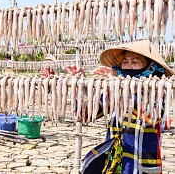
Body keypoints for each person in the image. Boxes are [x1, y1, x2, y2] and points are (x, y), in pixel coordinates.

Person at [64, 40, 173, 174]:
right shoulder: (115, 89)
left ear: (149, 67)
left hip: (142, 161)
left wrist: (121, 89)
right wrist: (80, 87)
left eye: (135, 62)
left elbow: (150, 117)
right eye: (125, 62)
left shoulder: (157, 90)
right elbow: (84, 115)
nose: (128, 66)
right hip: (116, 161)